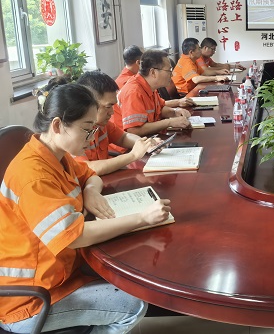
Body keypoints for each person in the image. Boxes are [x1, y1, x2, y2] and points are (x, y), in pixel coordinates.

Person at [0, 83, 171, 333]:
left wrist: (90, 192)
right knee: (133, 305)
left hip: (59, 273)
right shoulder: (34, 176)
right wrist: (142, 218)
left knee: (132, 272)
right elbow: (75, 236)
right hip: (30, 299)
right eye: (86, 129)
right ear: (57, 125)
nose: (91, 138)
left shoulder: (55, 155)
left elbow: (90, 175)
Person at [76, 71, 158, 175]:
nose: (112, 112)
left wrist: (144, 144)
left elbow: (123, 137)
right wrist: (133, 155)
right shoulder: (73, 131)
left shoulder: (101, 124)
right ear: (88, 104)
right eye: (108, 106)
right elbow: (89, 168)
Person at [112, 49, 192, 135]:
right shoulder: (133, 92)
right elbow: (134, 130)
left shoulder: (150, 86)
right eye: (169, 70)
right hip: (130, 143)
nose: (171, 75)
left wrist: (175, 112)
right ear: (153, 72)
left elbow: (159, 109)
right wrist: (169, 122)